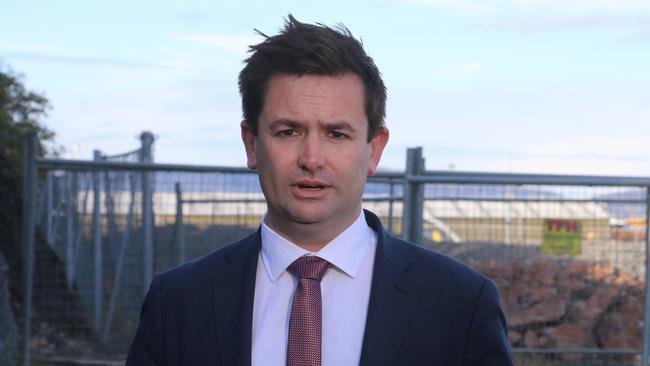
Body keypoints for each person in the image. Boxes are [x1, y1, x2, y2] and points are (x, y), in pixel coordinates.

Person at [126, 15, 513, 366]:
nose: (312, 158)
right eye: (288, 131)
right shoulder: (177, 301)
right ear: (251, 143)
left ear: (374, 149)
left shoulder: (461, 303)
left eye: (336, 134)